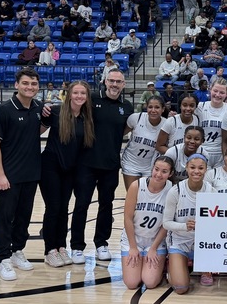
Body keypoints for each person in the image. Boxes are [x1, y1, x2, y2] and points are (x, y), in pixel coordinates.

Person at [0, 68, 47, 282]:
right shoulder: (4, 110)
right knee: (4, 217)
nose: (30, 87)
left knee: (24, 216)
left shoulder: (39, 107)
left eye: (33, 84)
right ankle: (3, 258)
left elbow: (34, 131)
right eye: (25, 83)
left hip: (31, 173)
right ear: (16, 85)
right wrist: (0, 175)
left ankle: (17, 251)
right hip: (8, 175)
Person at [71, 70, 134, 264]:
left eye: (119, 82)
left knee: (106, 205)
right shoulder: (91, 99)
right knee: (81, 205)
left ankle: (101, 243)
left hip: (110, 164)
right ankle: (77, 247)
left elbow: (125, 129)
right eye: (112, 80)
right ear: (106, 81)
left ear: (123, 84)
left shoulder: (126, 106)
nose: (115, 84)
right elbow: (71, 109)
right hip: (86, 163)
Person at [39, 81, 95, 268]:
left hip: (70, 169)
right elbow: (34, 130)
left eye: (83, 93)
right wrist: (42, 106)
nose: (79, 96)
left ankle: (61, 246)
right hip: (50, 166)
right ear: (69, 94)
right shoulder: (55, 112)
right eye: (76, 93)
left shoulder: (86, 118)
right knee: (53, 208)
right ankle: (50, 250)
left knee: (64, 208)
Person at [162, 154, 214, 294]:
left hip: (202, 243)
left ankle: (199, 266)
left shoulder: (211, 191)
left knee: (207, 284)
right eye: (192, 167)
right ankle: (174, 265)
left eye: (200, 168)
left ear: (206, 170)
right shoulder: (176, 191)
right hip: (180, 241)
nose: (196, 171)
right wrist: (185, 226)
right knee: (180, 288)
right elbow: (166, 223)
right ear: (186, 168)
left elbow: (216, 223)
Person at [121, 156, 175, 290]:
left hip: (155, 241)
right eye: (156, 169)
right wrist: (133, 247)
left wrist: (153, 248)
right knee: (131, 283)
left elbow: (166, 224)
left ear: (170, 174)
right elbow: (127, 218)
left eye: (164, 171)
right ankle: (143, 261)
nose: (159, 174)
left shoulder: (172, 190)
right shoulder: (137, 186)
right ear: (152, 168)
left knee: (150, 282)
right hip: (134, 239)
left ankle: (161, 268)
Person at [121, 94, 166, 190]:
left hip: (150, 165)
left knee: (145, 197)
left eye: (157, 107)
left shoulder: (167, 124)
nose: (153, 110)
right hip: (131, 162)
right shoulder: (136, 118)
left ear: (163, 109)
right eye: (150, 107)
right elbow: (119, 135)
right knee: (132, 194)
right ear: (146, 107)